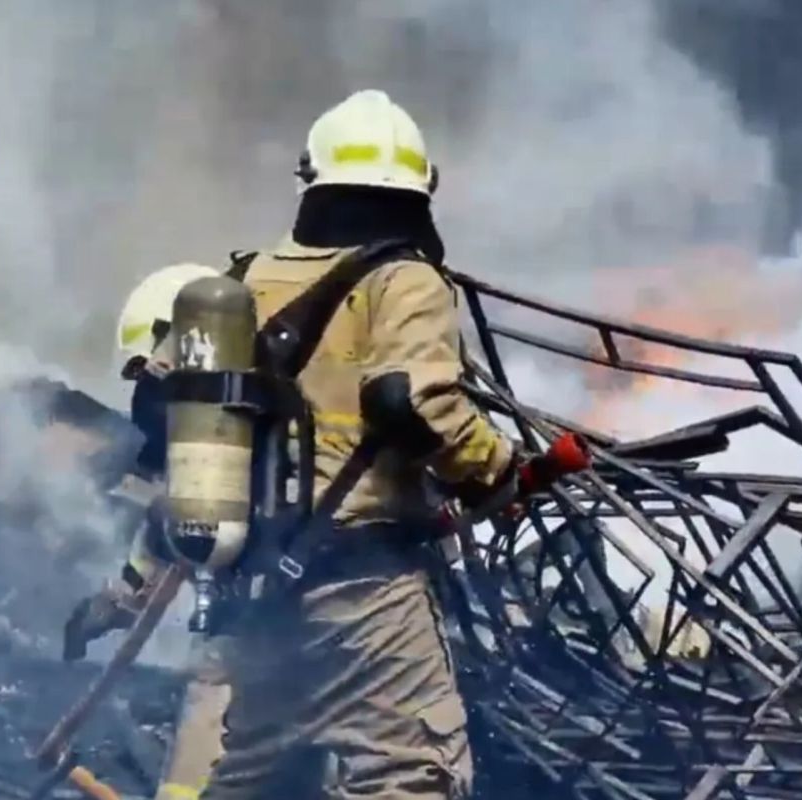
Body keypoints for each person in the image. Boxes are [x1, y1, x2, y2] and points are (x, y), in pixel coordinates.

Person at [198, 89, 518, 800]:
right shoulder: (404, 279)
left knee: (261, 776)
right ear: (419, 189)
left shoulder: (243, 280)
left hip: (256, 586)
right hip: (361, 585)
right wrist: (496, 470)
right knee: (410, 776)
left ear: (313, 181)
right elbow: (413, 401)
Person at [64, 261, 235, 800]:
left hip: (300, 602)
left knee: (217, 691)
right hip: (315, 596)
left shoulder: (227, 421)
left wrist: (117, 600)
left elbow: (184, 513)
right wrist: (116, 599)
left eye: (150, 371)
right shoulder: (236, 411)